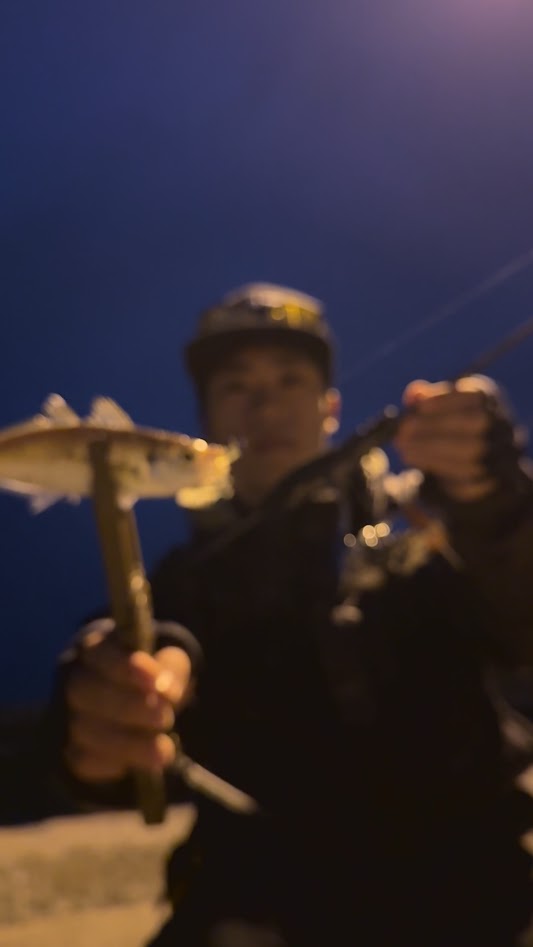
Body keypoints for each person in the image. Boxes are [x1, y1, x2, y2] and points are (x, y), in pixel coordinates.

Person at [54, 283, 533, 946]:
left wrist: (494, 499)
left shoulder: (431, 519)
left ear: (330, 407)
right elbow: (114, 710)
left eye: (290, 379)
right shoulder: (178, 584)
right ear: (205, 420)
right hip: (263, 901)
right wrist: (93, 721)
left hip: (476, 891)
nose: (265, 404)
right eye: (235, 386)